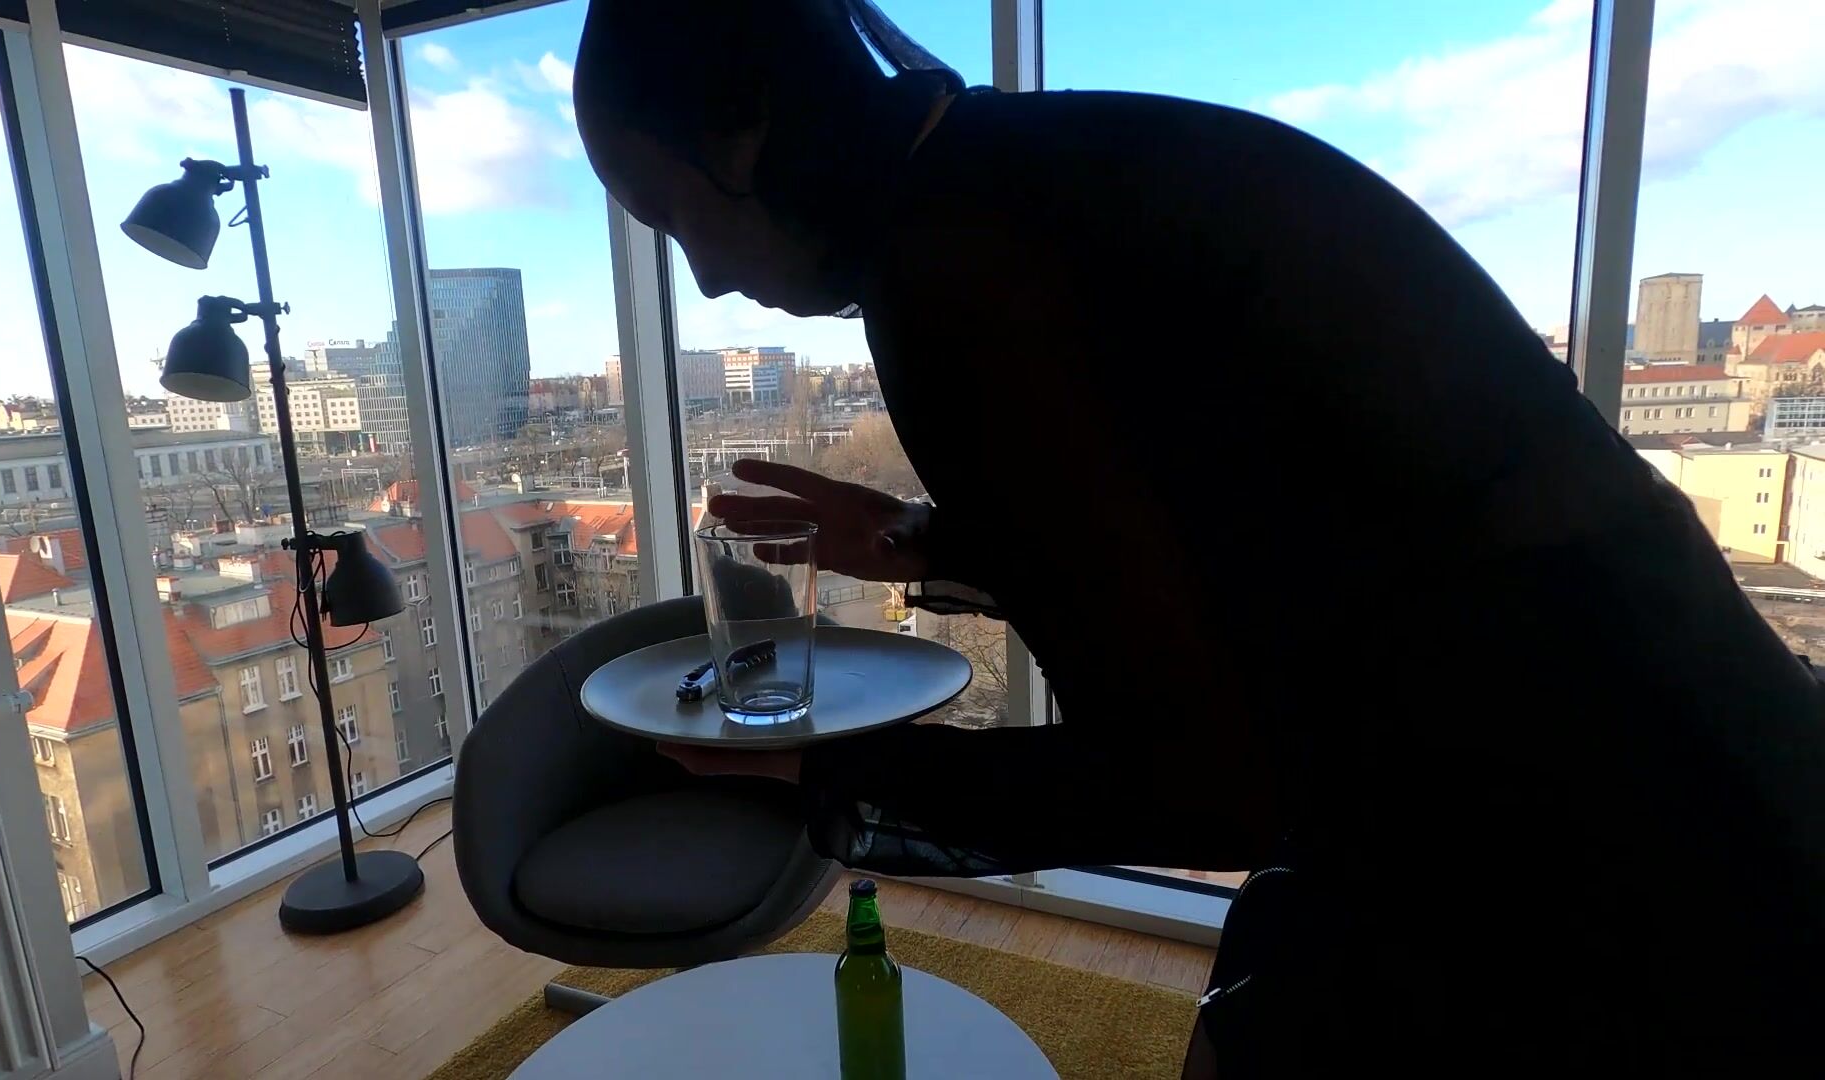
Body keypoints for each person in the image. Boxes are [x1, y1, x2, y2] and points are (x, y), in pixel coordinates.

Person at [572, 1, 1825, 1076]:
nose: (709, 281)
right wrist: (916, 540)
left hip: (1585, 850)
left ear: (746, 134)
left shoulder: (953, 264)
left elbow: (1202, 782)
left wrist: (822, 778)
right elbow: (1265, 534)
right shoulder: (1041, 169)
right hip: (1701, 746)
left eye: (676, 215)